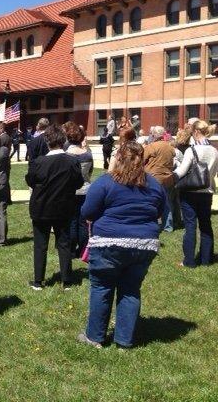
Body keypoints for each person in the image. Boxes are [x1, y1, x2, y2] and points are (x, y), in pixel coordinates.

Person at [78, 142, 165, 349]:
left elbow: (87, 211)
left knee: (101, 287)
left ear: (118, 158)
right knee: (130, 289)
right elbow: (162, 212)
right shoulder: (154, 185)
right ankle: (124, 340)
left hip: (109, 243)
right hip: (144, 245)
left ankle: (95, 337)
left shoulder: (105, 182)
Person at [26, 125, 84, 290]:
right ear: (63, 141)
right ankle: (66, 281)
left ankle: (38, 281)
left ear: (47, 142)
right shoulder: (72, 161)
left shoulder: (39, 162)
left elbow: (30, 180)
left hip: (41, 208)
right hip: (63, 208)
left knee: (40, 244)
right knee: (64, 243)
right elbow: (79, 182)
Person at [173, 120, 218, 267]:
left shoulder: (191, 150)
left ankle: (189, 261)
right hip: (207, 192)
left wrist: (170, 175)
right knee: (206, 225)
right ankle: (206, 259)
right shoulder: (215, 151)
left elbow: (181, 171)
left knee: (190, 226)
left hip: (190, 192)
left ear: (196, 132)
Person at [65, 123, 93, 257]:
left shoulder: (66, 155)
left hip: (70, 191)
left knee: (71, 220)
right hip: (85, 190)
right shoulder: (88, 155)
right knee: (83, 222)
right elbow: (90, 172)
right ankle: (82, 250)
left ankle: (70, 249)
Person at [144, 126, 176, 232]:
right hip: (167, 178)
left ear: (154, 135)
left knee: (151, 202)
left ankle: (151, 224)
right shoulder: (170, 147)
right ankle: (168, 226)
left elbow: (142, 159)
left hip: (153, 178)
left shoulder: (151, 146)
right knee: (167, 202)